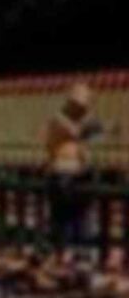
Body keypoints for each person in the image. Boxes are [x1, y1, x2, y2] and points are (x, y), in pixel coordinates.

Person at [45, 82, 112, 267]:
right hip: (61, 173)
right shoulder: (58, 120)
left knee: (81, 217)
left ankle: (79, 253)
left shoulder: (80, 121)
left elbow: (92, 135)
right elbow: (77, 132)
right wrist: (99, 127)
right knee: (63, 217)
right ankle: (62, 252)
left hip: (79, 173)